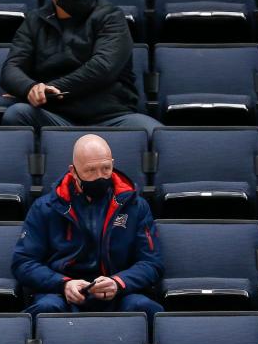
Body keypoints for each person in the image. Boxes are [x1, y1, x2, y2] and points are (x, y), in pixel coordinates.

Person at [0, 0, 161, 138]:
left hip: (111, 118)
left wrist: (49, 90)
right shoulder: (35, 21)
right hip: (56, 117)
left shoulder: (111, 16)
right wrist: (29, 88)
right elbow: (10, 69)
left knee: (156, 134)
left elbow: (102, 68)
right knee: (16, 114)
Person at [13, 134, 163, 320]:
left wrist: (118, 282)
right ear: (73, 171)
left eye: (106, 168)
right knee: (46, 308)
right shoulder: (45, 208)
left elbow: (151, 263)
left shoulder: (136, 206)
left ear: (112, 163)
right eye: (90, 170)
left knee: (144, 307)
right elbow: (23, 263)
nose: (100, 177)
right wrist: (63, 284)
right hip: (62, 293)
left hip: (119, 292)